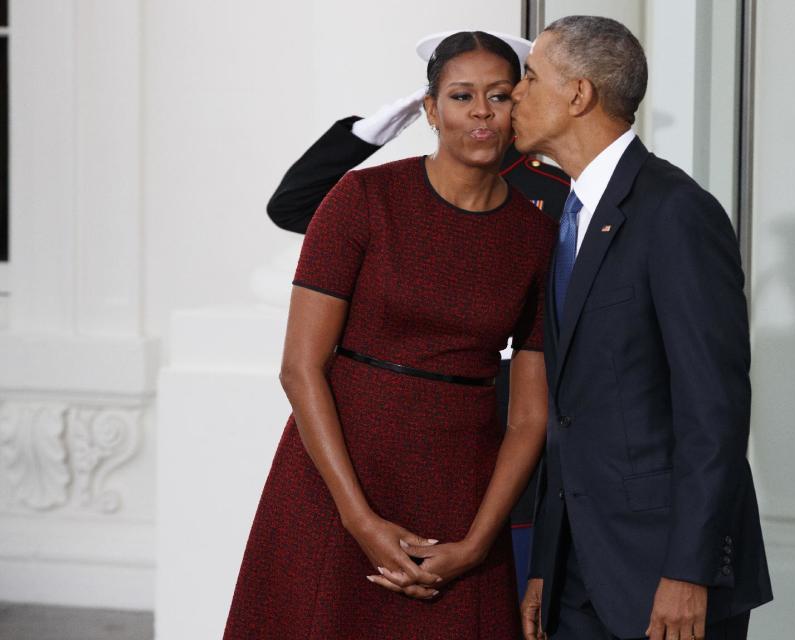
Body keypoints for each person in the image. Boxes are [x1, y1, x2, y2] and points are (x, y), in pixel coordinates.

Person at [222, 31, 556, 640]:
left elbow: (531, 415)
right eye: (460, 96)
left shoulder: (538, 234)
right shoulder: (363, 197)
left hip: (462, 486)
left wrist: (479, 542)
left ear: (521, 105)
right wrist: (359, 520)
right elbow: (299, 368)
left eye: (500, 95)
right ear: (430, 109)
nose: (481, 111)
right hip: (337, 477)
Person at [510, 16, 774, 640]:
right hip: (577, 576)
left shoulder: (676, 212)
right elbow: (573, 411)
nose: (515, 94)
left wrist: (691, 571)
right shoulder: (569, 214)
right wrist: (548, 564)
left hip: (664, 579)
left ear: (578, 94)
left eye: (529, 77)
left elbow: (715, 407)